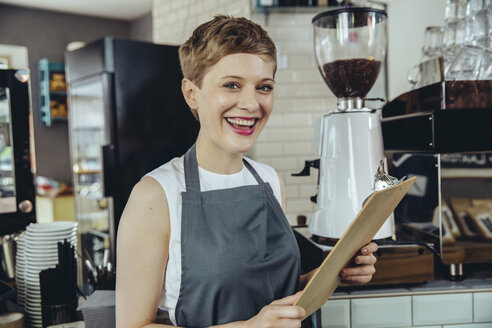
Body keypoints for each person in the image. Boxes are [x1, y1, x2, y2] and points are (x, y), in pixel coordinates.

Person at [115, 15, 378, 328]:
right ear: (192, 93)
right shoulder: (155, 196)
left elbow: (272, 291)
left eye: (263, 87)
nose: (252, 104)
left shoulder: (268, 180)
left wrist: (334, 273)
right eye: (231, 85)